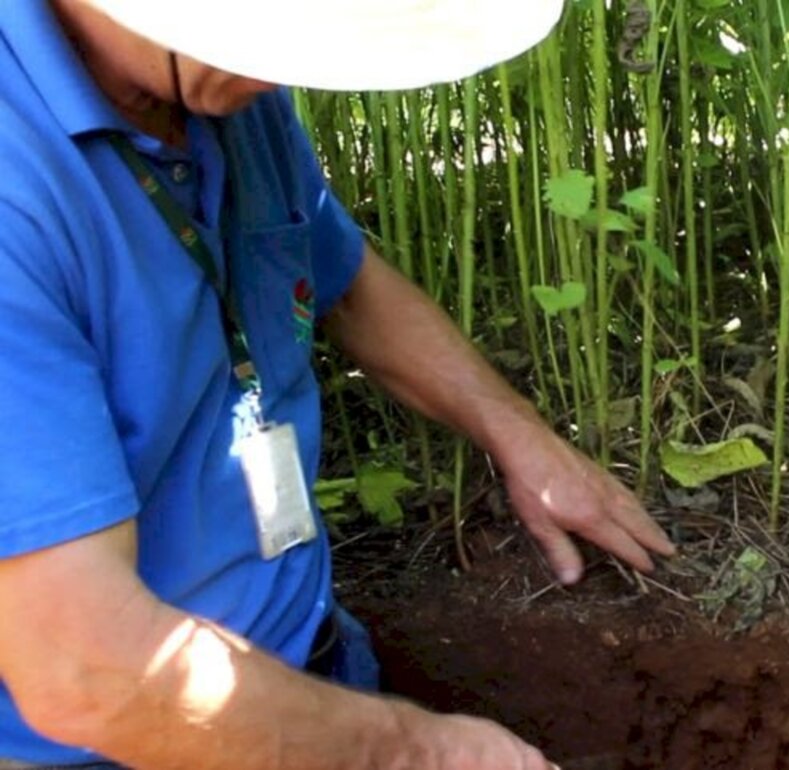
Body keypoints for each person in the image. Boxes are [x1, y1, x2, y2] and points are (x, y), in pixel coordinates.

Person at [0, 1, 677, 768]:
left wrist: (520, 434)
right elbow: (83, 670)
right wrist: (420, 752)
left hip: (317, 682)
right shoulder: (17, 186)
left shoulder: (223, 86)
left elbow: (343, 281)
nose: (281, 69)